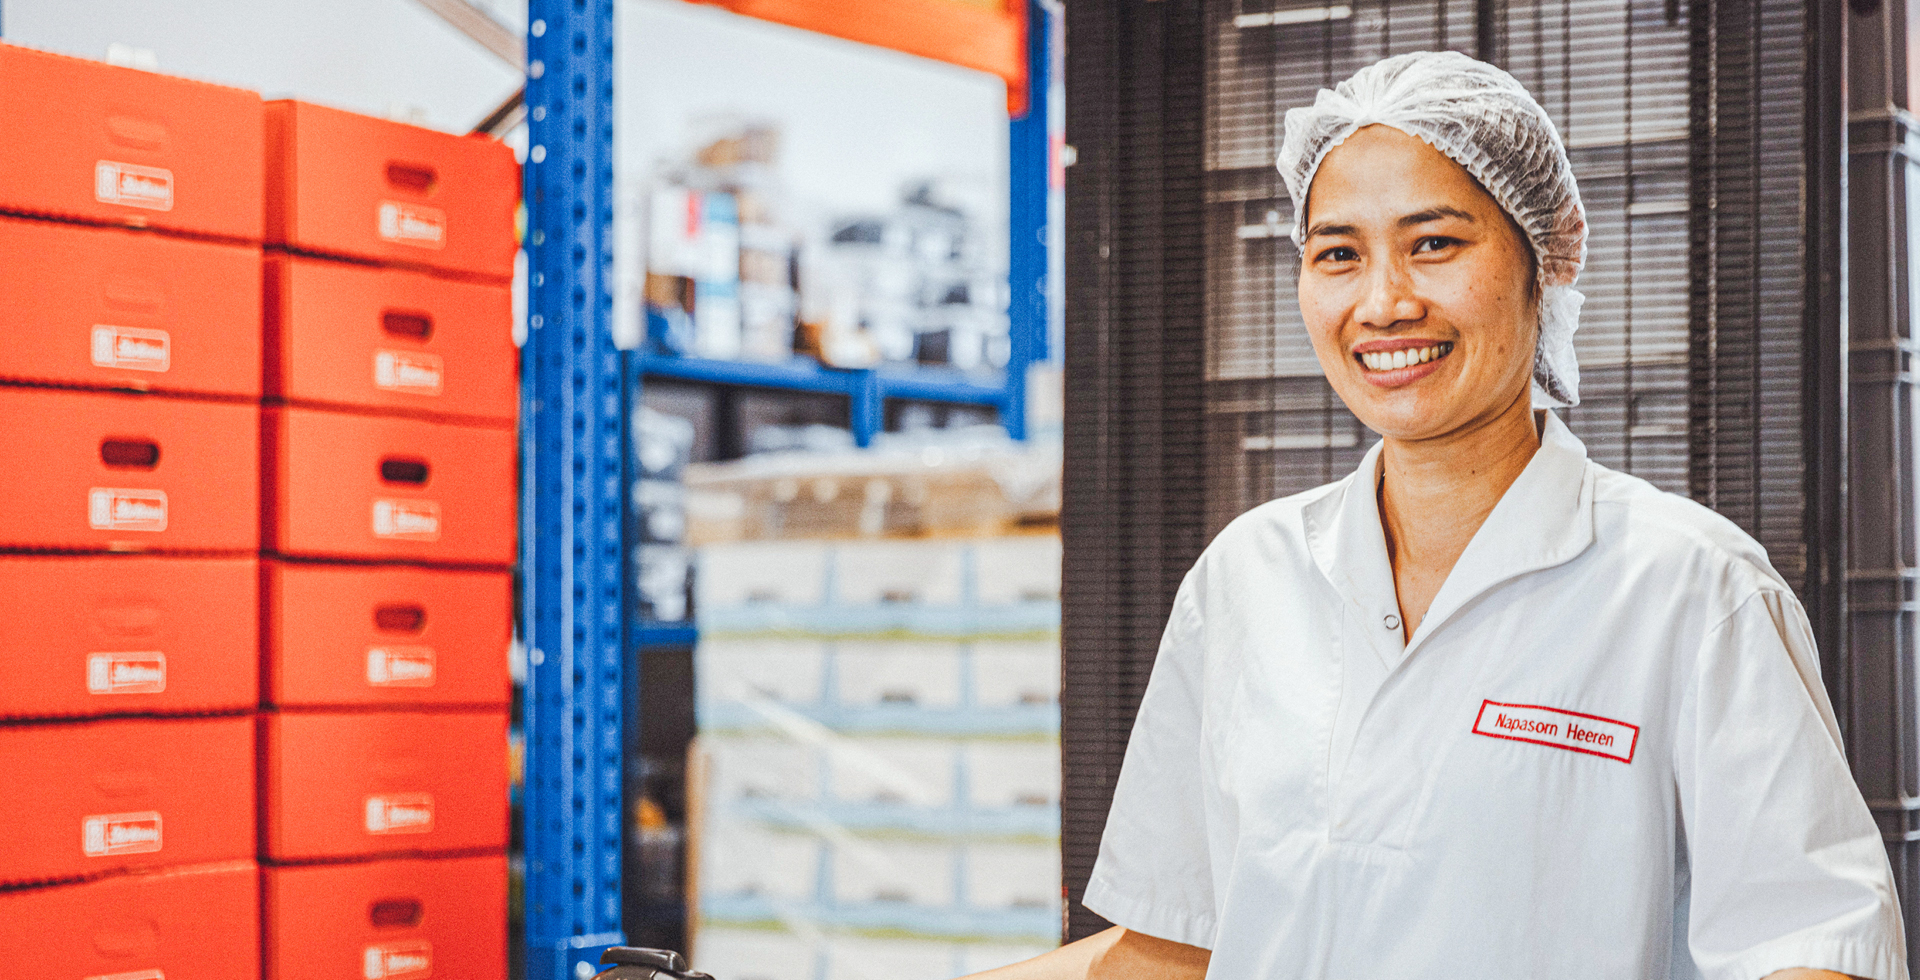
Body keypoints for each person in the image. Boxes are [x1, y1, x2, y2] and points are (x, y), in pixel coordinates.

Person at [963, 51, 1906, 980]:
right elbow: (1179, 948)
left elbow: (1814, 952)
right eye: (1339, 254)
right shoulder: (1247, 576)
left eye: (1435, 244)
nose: (1383, 303)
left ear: (1552, 255)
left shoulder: (1691, 589)